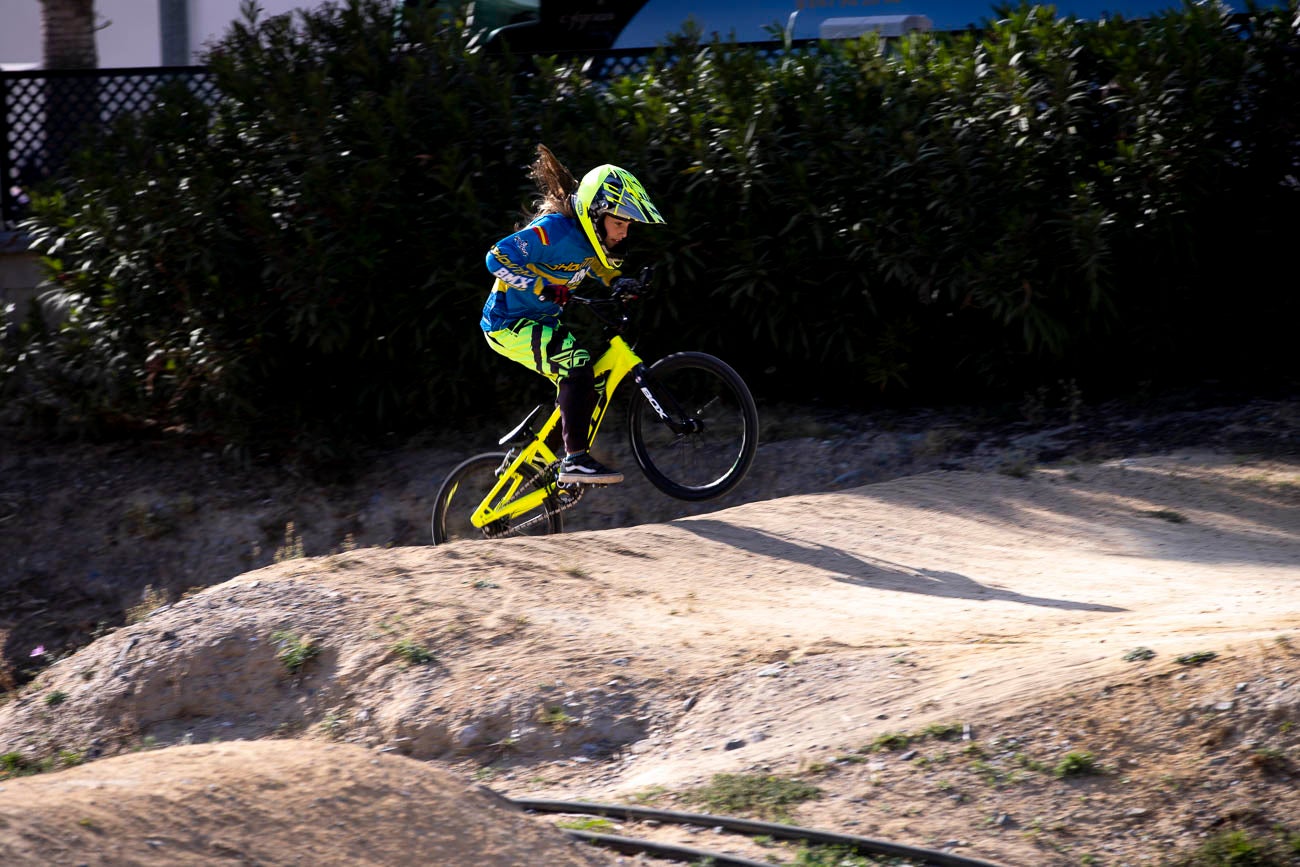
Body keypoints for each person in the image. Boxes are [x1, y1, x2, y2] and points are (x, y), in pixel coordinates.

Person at [481, 144, 665, 484]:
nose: (624, 231)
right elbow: (496, 258)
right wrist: (540, 286)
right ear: (595, 214)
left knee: (587, 381)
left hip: (541, 322)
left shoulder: (588, 242)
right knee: (576, 364)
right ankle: (576, 460)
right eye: (619, 222)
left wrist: (617, 281)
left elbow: (596, 266)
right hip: (506, 324)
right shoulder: (553, 232)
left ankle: (541, 460)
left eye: (628, 224)